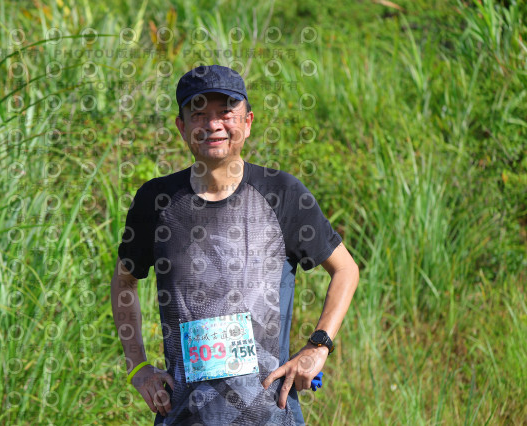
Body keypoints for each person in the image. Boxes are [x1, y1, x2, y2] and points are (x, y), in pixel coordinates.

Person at [111, 64, 359, 425]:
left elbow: (345, 269)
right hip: (183, 416)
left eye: (226, 112)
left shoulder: (283, 193)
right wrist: (138, 368)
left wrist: (318, 346)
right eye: (199, 114)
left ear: (248, 122)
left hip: (270, 415)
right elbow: (124, 281)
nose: (213, 125)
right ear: (181, 127)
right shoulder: (156, 200)